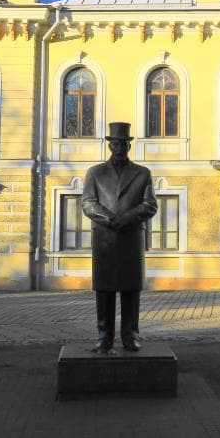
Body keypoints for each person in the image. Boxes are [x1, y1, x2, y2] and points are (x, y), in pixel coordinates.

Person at [81, 122, 158, 353]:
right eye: (115, 142)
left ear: (129, 145)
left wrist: (126, 219)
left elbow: (150, 204)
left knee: (130, 291)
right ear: (109, 144)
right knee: (104, 291)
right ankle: (104, 337)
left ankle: (130, 336)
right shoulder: (95, 173)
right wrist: (108, 218)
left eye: (124, 143)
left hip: (130, 238)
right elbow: (88, 203)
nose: (119, 146)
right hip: (104, 240)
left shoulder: (142, 173)